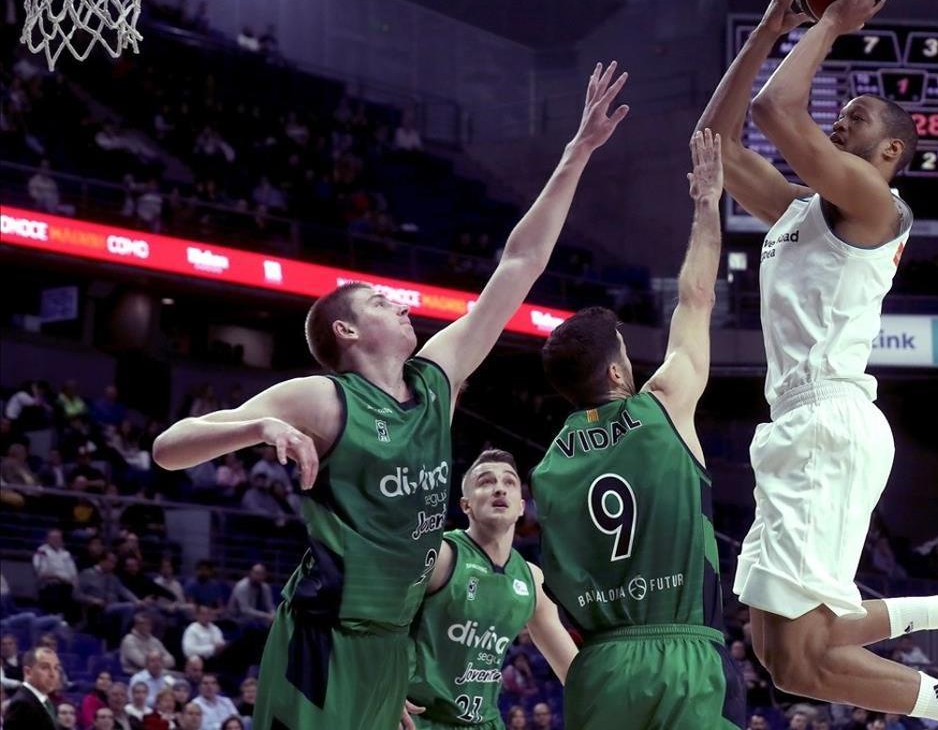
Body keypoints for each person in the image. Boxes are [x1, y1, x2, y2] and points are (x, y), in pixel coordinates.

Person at [151, 63, 630, 730]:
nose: (399, 301)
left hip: (386, 645)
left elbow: (518, 265)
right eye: (380, 300)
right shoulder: (321, 398)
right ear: (347, 330)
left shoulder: (437, 379)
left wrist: (576, 153)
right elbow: (168, 449)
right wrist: (259, 427)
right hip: (323, 635)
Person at [696, 0, 938, 730]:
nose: (835, 125)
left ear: (891, 149)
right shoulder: (801, 210)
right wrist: (768, 27)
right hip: (801, 424)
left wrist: (826, 23)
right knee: (780, 652)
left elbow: (772, 108)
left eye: (853, 119)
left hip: (827, 421)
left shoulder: (876, 203)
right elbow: (715, 143)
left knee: (801, 653)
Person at [533, 130, 744, 729]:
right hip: (682, 653)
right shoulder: (663, 406)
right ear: (620, 368)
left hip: (599, 664)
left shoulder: (548, 466)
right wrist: (707, 204)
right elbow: (696, 298)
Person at [405, 450, 577, 729]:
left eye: (509, 482)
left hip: (486, 722)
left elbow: (573, 671)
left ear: (522, 506)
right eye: (486, 482)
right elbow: (374, 624)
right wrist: (384, 690)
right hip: (420, 719)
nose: (499, 487)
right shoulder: (441, 556)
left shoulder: (532, 579)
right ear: (466, 505)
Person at [2, 646, 61, 730]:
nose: (53, 674)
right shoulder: (21, 704)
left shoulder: (46, 701)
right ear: (28, 672)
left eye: (56, 668)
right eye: (45, 667)